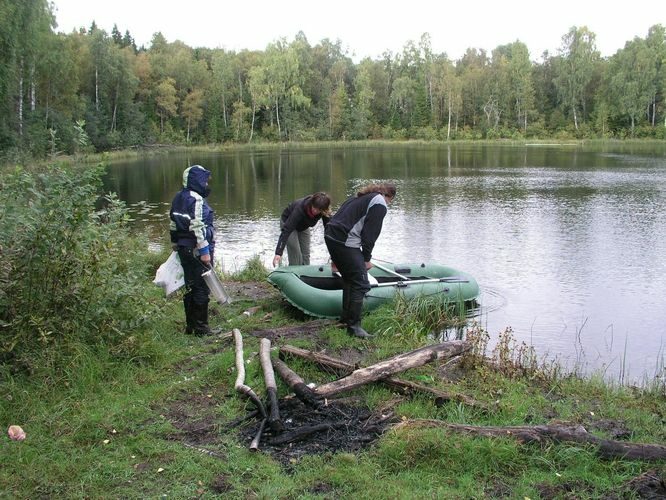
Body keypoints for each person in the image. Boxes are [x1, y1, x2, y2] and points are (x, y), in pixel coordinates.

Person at [324, 182, 396, 338]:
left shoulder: (360, 197)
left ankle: (345, 319)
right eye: (390, 201)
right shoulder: (380, 203)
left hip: (331, 235)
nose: (389, 204)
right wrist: (366, 258)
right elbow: (370, 235)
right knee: (361, 283)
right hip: (344, 240)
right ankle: (354, 327)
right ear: (389, 197)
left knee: (349, 279)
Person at [169, 165, 217, 336]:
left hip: (184, 248)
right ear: (197, 180)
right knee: (201, 288)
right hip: (197, 249)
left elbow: (173, 223)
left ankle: (190, 326)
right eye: (204, 180)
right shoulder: (196, 199)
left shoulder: (178, 197)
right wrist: (204, 251)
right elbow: (197, 226)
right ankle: (202, 329)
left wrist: (175, 243)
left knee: (190, 285)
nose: (206, 184)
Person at [272, 192, 332, 267]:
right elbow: (287, 230)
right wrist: (278, 253)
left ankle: (305, 274)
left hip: (303, 226)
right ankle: (293, 271)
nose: (315, 211)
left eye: (318, 210)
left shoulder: (324, 211)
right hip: (288, 223)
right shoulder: (300, 208)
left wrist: (333, 252)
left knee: (306, 254)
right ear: (311, 203)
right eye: (314, 207)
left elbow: (329, 231)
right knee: (296, 252)